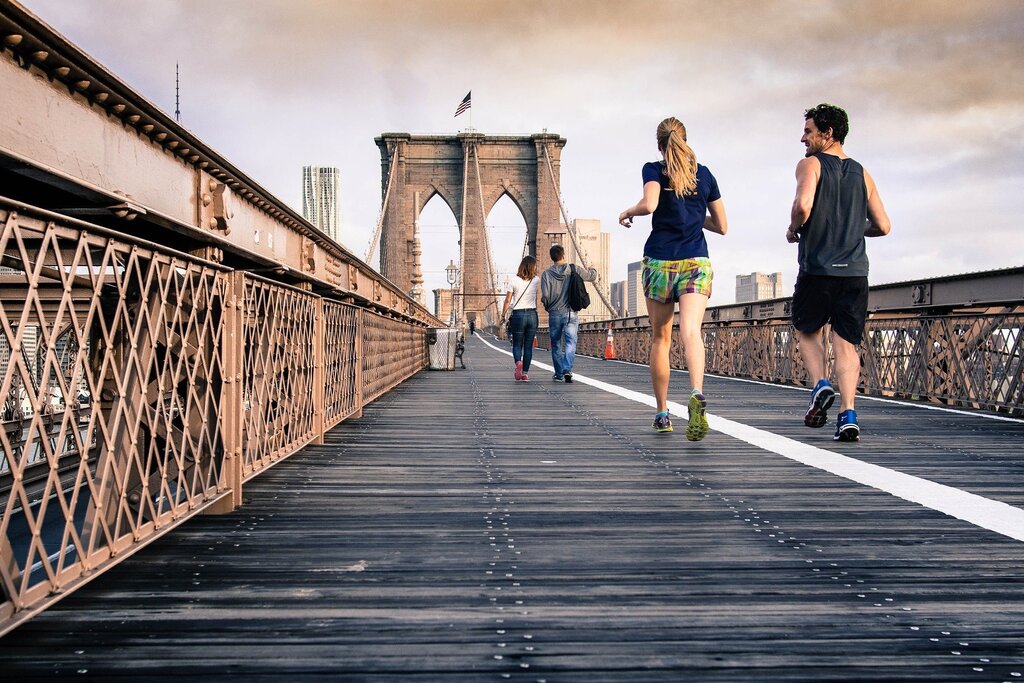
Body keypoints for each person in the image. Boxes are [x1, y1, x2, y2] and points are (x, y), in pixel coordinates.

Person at [618, 117, 728, 441]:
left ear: (659, 144)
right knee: (691, 332)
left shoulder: (653, 169)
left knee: (661, 339)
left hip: (660, 262)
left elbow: (650, 204)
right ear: (684, 138)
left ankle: (663, 413)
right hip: (696, 260)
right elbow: (722, 226)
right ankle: (696, 391)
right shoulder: (704, 174)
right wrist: (695, 217)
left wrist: (628, 211)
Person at [786, 103, 891, 441]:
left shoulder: (811, 164)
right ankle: (848, 413)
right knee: (846, 345)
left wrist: (793, 228)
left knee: (807, 330)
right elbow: (883, 226)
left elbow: (803, 206)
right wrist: (852, 229)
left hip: (818, 268)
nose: (803, 138)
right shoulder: (864, 173)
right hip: (855, 273)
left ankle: (820, 385)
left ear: (827, 134)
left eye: (808, 131)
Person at [540, 244, 597, 384]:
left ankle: (559, 374)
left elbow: (545, 296)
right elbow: (592, 276)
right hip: (571, 313)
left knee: (556, 344)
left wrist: (549, 307)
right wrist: (592, 268)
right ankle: (567, 370)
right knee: (571, 342)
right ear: (563, 256)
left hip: (554, 313)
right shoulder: (574, 269)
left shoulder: (546, 274)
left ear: (552, 258)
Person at [501, 255, 540, 382]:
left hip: (518, 315)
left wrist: (503, 316)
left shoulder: (513, 280)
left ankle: (518, 362)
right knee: (528, 346)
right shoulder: (536, 280)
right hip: (532, 315)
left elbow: (507, 300)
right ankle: (525, 374)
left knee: (517, 344)